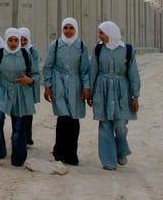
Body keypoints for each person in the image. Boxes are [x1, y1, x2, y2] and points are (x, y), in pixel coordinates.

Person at [0, 27, 38, 166]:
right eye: (10, 40)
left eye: (16, 40)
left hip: (20, 92)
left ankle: (18, 156)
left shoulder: (25, 54)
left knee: (19, 127)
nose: (13, 43)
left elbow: (35, 74)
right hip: (1, 89)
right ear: (6, 40)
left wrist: (30, 80)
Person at [88, 21, 141, 170]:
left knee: (121, 125)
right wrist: (90, 92)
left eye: (102, 33)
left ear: (111, 33)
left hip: (121, 91)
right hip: (102, 89)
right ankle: (108, 161)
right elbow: (93, 71)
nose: (99, 36)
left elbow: (133, 74)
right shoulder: (98, 49)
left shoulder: (127, 50)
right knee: (105, 124)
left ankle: (121, 151)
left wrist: (135, 96)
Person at [42, 17, 91, 165]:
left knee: (74, 120)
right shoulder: (56, 45)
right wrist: (48, 85)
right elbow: (48, 66)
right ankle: (59, 152)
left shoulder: (81, 46)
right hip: (59, 83)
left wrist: (86, 87)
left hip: (75, 84)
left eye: (71, 28)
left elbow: (85, 69)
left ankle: (71, 154)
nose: (68, 31)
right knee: (63, 118)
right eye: (65, 28)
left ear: (76, 29)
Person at [18, 27, 41, 146]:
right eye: (20, 39)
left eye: (25, 40)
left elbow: (35, 68)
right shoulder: (14, 50)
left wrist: (30, 79)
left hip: (29, 84)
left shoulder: (32, 51)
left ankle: (27, 137)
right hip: (18, 84)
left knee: (28, 110)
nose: (22, 42)